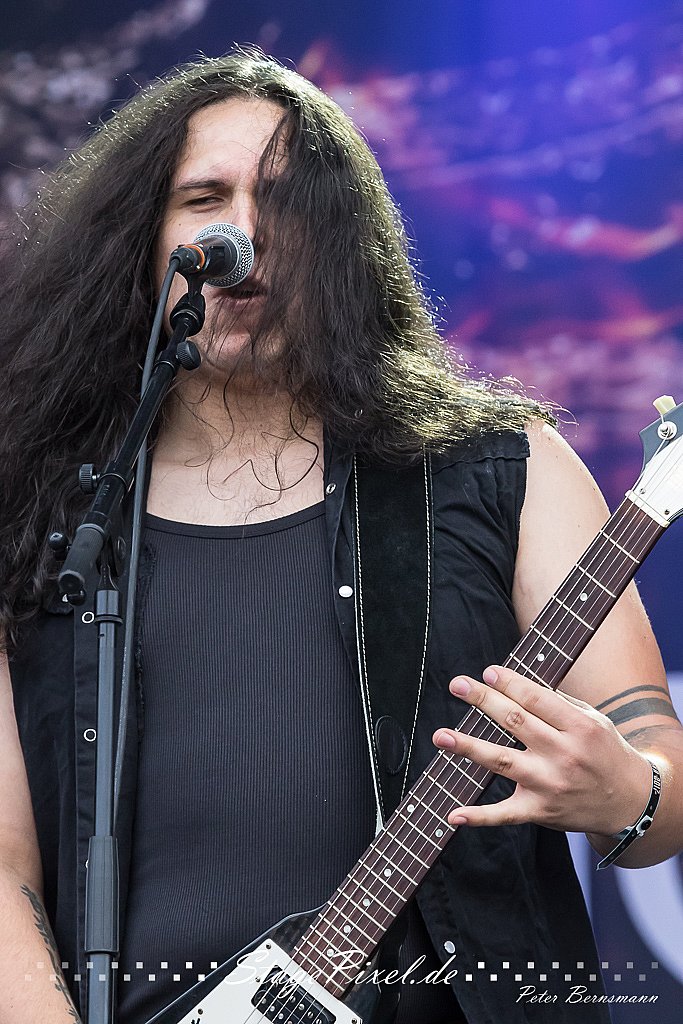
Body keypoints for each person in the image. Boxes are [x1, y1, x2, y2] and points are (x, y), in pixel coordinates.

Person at [1, 49, 682, 1024]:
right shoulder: (40, 511)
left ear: (342, 244)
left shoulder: (503, 465)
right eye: (204, 198)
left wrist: (627, 791)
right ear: (140, 238)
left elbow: (654, 757)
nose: (244, 233)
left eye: (286, 200)